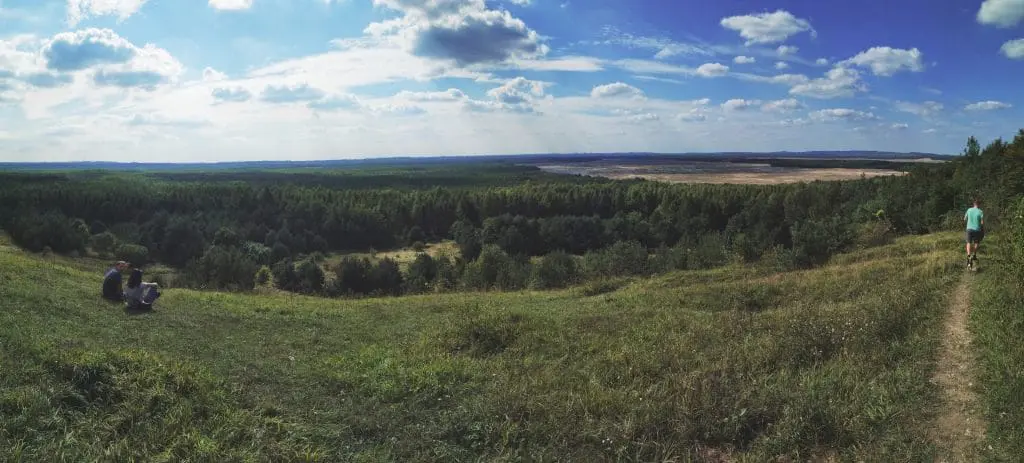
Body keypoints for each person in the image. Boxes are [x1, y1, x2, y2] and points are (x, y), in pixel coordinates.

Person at [965, 199, 984, 269]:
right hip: (977, 229)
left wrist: (970, 221)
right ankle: (974, 255)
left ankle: (968, 256)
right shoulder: (980, 211)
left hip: (969, 228)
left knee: (968, 242)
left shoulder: (969, 210)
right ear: (979, 205)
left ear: (973, 204)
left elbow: (965, 219)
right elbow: (982, 223)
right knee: (976, 243)